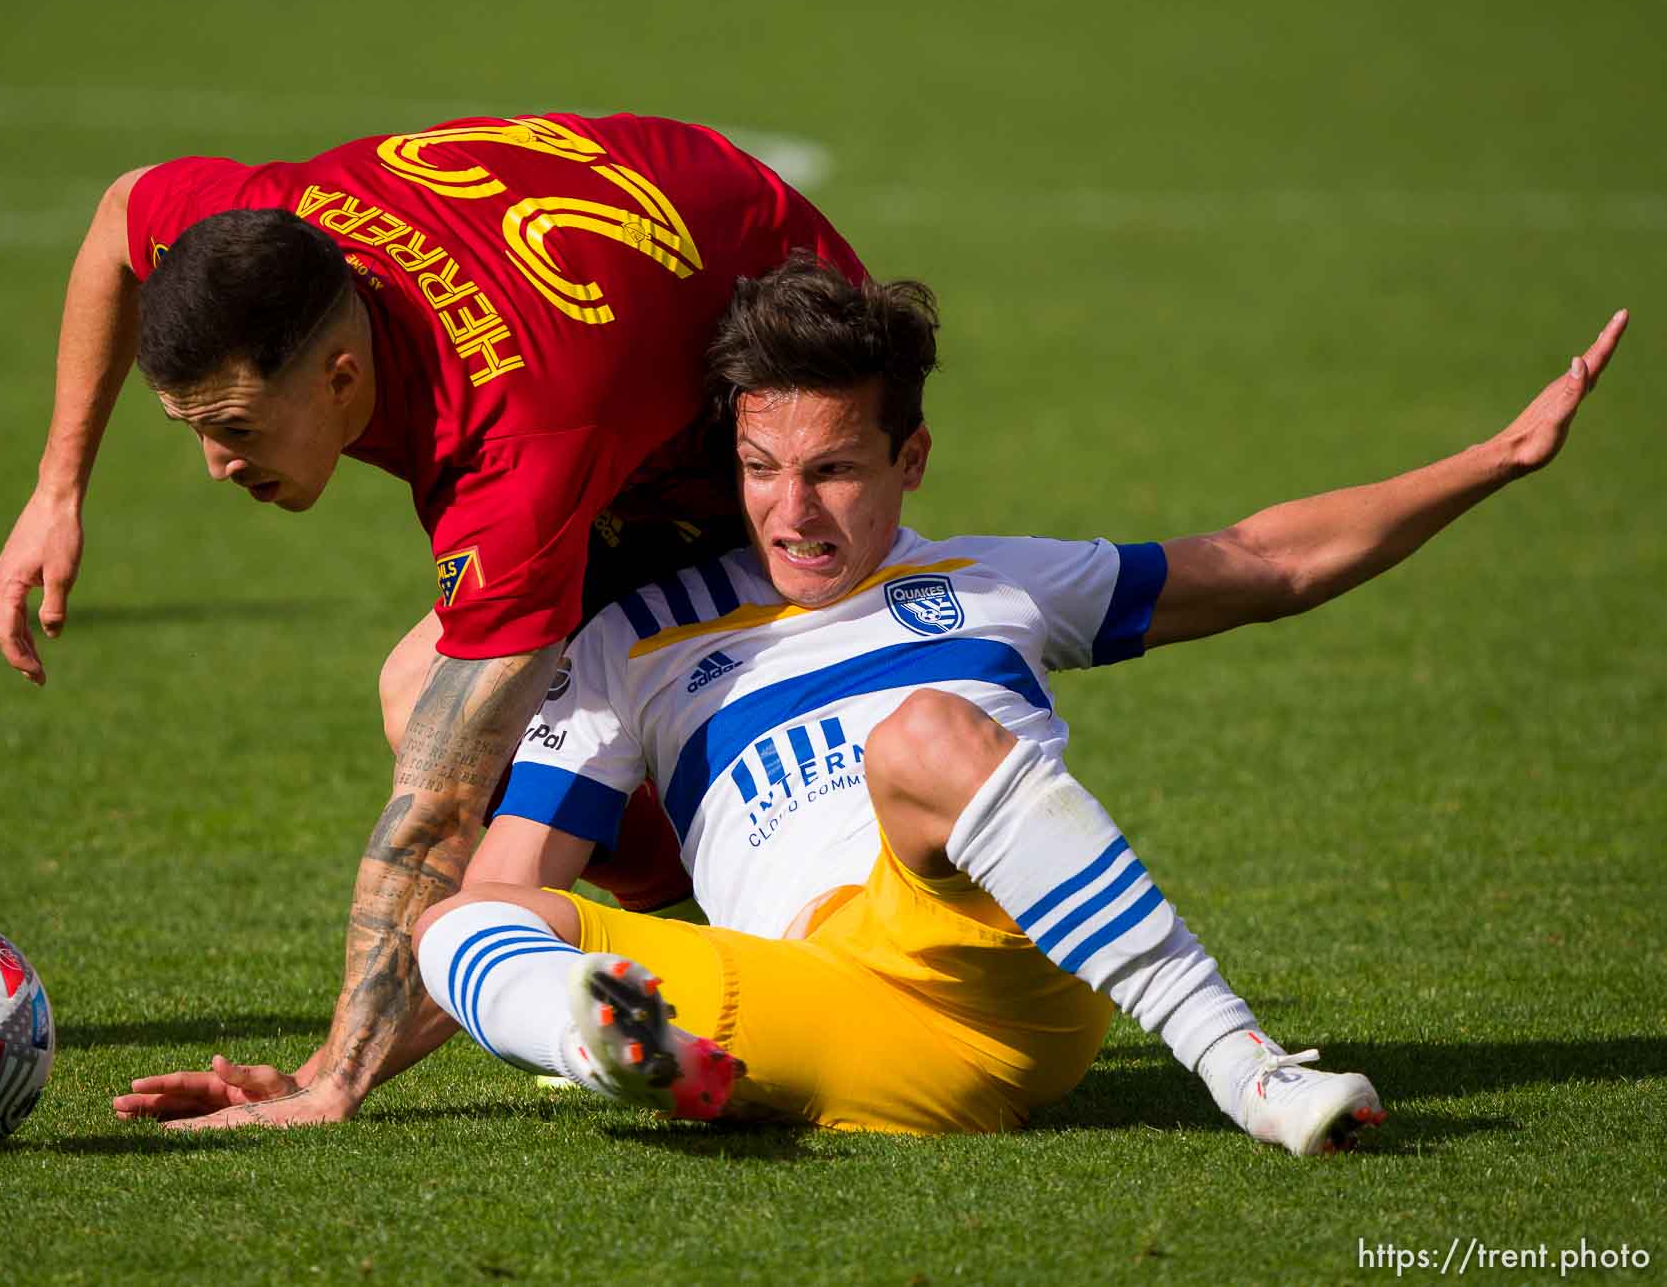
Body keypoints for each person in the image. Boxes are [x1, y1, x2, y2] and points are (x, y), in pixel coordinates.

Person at [411, 255, 1627, 1151]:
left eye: (834, 468)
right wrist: (401, 1041)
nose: (793, 512)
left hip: (1003, 979)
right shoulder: (635, 640)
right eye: (763, 470)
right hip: (814, 1015)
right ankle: (621, 1055)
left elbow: (1266, 562)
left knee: (923, 736)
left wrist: (1492, 462)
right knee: (454, 925)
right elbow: (513, 880)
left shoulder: (994, 581)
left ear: (911, 459)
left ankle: (1242, 1062)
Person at [0, 113, 866, 1127]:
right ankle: (653, 933)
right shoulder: (262, 232)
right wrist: (58, 491)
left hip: (785, 336)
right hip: (634, 293)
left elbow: (438, 813)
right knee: (447, 698)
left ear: (342, 377)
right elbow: (120, 213)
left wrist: (333, 1078)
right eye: (192, 429)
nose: (218, 467)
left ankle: (737, 960)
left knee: (464, 711)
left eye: (233, 428)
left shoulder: (518, 441)